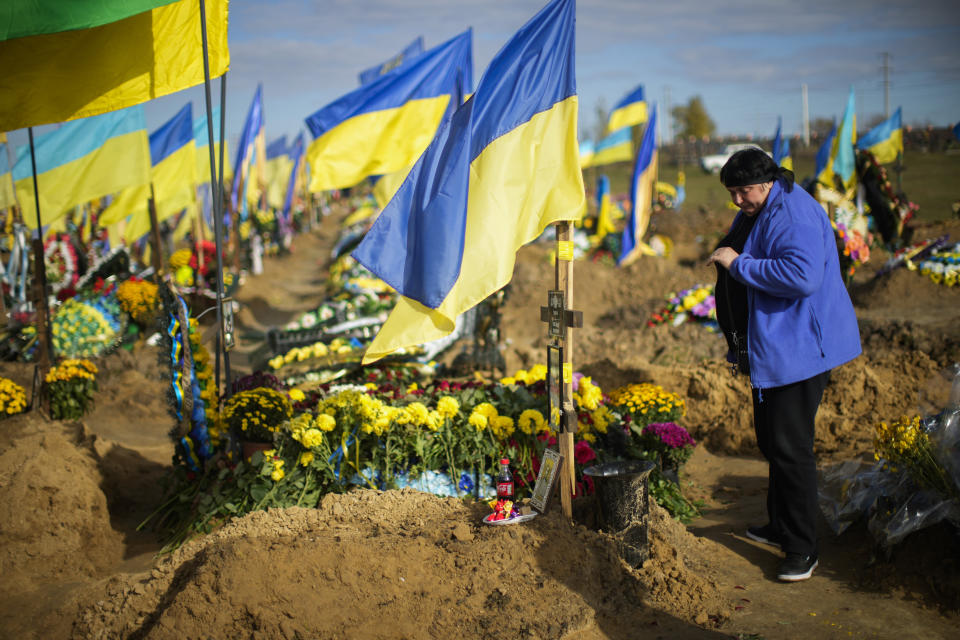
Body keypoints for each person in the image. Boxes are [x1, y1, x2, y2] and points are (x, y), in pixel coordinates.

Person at [707, 148, 861, 582]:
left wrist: (739, 265)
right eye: (731, 193)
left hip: (802, 348)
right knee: (774, 442)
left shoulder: (791, 215)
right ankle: (780, 526)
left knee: (791, 449)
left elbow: (802, 276)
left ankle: (801, 549)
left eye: (742, 191)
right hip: (778, 347)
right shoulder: (768, 203)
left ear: (767, 181)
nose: (737, 200)